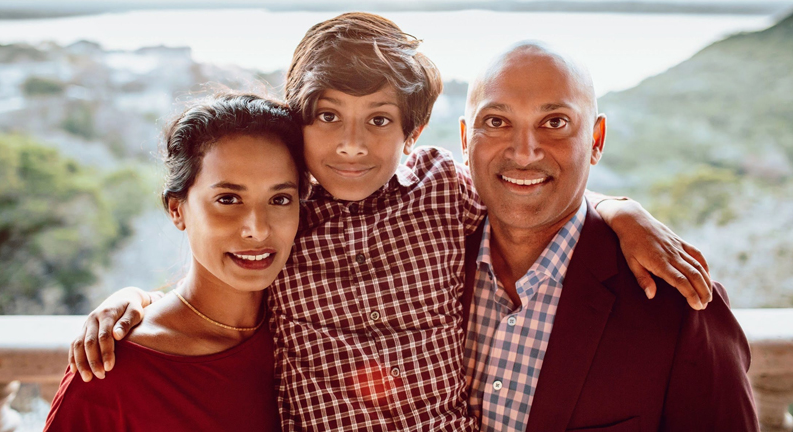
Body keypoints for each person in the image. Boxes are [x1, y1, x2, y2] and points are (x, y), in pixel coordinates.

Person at [68, 13, 714, 431]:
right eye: (327, 117)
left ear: (413, 133)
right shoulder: (292, 208)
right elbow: (224, 261)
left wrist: (619, 209)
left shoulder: (442, 191)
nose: (351, 145)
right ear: (299, 122)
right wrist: (134, 302)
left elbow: (526, 185)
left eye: (377, 120)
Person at [460, 42, 758, 432]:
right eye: (498, 121)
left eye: (554, 123)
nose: (524, 153)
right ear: (465, 140)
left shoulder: (677, 305)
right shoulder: (422, 254)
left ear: (596, 140)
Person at [44, 93, 307, 432]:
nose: (257, 229)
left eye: (280, 199)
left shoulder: (312, 334)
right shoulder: (111, 372)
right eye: (228, 199)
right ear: (177, 209)